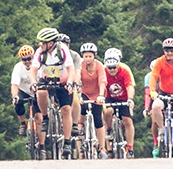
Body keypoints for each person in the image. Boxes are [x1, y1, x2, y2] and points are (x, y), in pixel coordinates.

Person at [30, 27, 76, 158]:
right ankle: (45, 117)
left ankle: (67, 142)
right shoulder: (40, 52)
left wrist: (70, 82)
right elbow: (33, 70)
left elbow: (71, 69)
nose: (40, 45)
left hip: (63, 80)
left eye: (42, 42)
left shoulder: (62, 50)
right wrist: (33, 82)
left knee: (66, 109)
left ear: (50, 43)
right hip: (46, 79)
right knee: (41, 92)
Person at [101, 47, 136, 157]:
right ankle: (109, 129)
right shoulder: (103, 71)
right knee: (107, 112)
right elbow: (100, 85)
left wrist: (130, 99)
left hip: (123, 98)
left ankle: (130, 147)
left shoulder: (124, 70)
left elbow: (129, 86)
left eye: (114, 67)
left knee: (127, 121)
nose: (112, 70)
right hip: (109, 97)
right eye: (109, 68)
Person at [78, 43, 108, 158]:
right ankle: (80, 125)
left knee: (98, 120)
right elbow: (78, 79)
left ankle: (102, 148)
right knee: (83, 107)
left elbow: (102, 81)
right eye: (86, 56)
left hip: (97, 94)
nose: (88, 59)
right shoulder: (80, 65)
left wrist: (100, 95)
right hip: (84, 93)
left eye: (90, 56)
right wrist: (78, 95)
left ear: (94, 56)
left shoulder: (99, 66)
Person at [11, 45, 37, 136]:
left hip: (36, 90)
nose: (27, 62)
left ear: (33, 57)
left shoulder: (37, 65)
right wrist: (14, 96)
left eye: (29, 59)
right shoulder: (18, 67)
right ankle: (22, 123)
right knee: (17, 102)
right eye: (24, 59)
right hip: (23, 90)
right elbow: (14, 84)